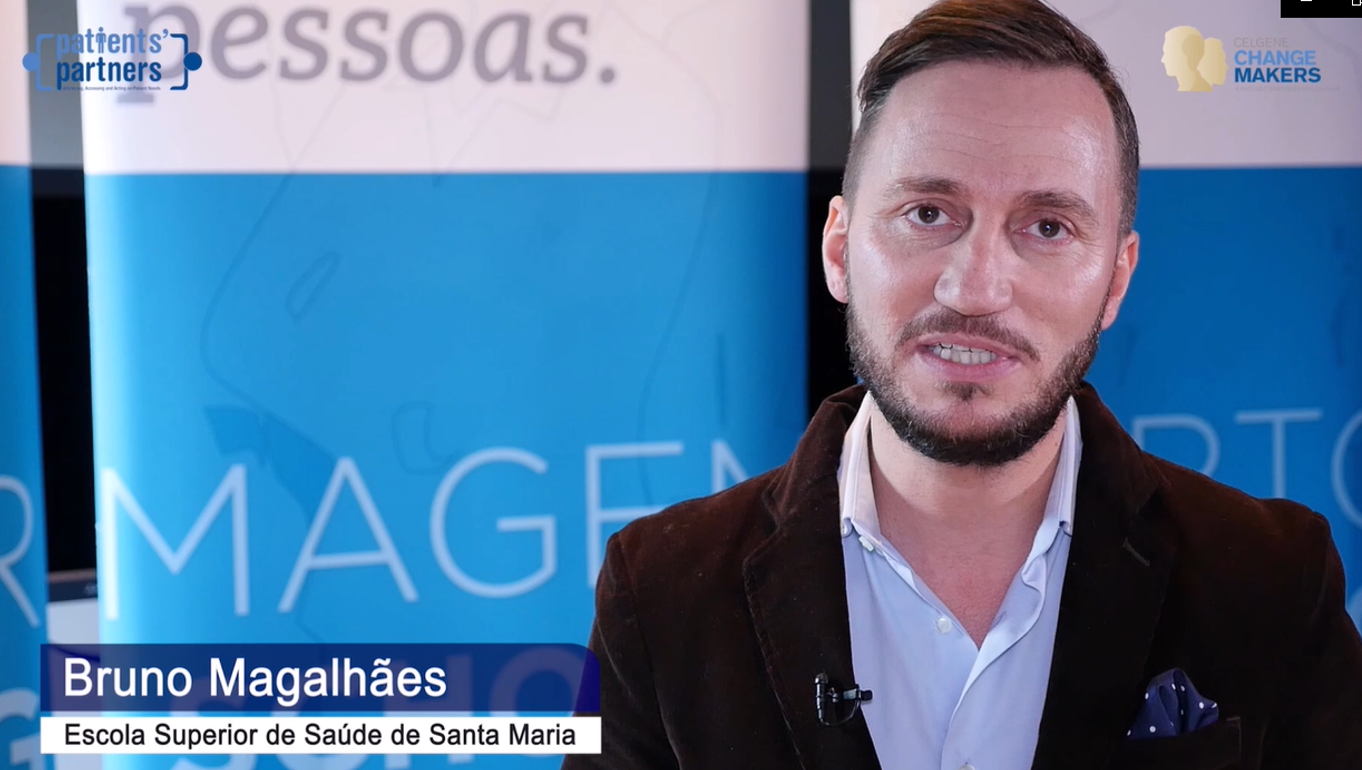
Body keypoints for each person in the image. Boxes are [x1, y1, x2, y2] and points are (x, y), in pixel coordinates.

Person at [563, 1, 1362, 768]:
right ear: (839, 249)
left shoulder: (1271, 580)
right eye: (927, 213)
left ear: (1116, 280)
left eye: (1047, 227)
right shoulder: (659, 594)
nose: (975, 288)